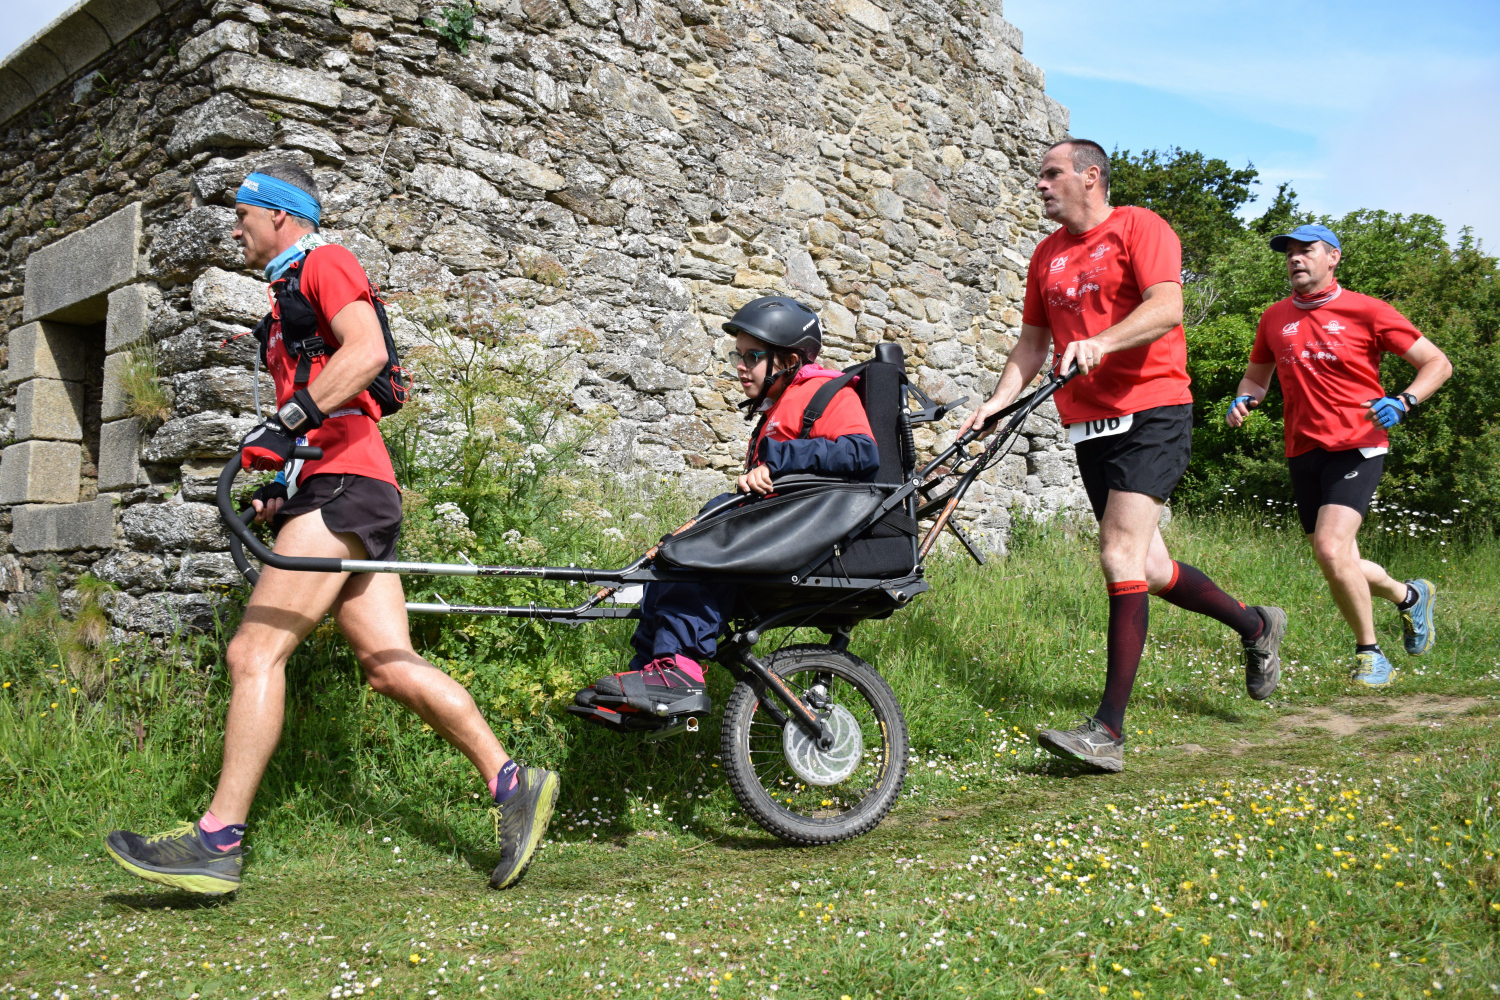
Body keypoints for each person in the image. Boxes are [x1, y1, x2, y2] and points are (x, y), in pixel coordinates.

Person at [104, 162, 558, 895]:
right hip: (348, 485)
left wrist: (287, 423)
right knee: (386, 664)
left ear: (280, 214)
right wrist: (279, 490)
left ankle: (217, 842)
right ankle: (514, 783)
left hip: (345, 484)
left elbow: (366, 352)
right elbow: (320, 410)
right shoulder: (286, 293)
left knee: (254, 652)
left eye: (243, 215)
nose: (235, 230)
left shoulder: (325, 260)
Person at [958, 139, 1287, 773]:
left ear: (1091, 176)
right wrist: (996, 402)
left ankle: (1108, 729)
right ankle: (1256, 627)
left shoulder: (1140, 226)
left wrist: (1101, 342)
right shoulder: (1046, 255)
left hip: (1154, 408)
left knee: (1117, 553)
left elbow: (1167, 307)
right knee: (1151, 567)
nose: (1041, 185)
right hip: (1089, 425)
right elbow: (1032, 344)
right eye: (1040, 176)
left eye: (1052, 174)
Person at [573, 295, 879, 719]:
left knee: (697, 556)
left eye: (753, 357)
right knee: (670, 559)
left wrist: (779, 461)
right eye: (738, 356)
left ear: (789, 361)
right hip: (773, 523)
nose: (741, 367)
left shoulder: (824, 393)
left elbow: (862, 453)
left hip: (799, 532)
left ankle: (677, 673)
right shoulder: (780, 406)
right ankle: (650, 675)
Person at [1226, 223, 1451, 687]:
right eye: (1289, 252)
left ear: (1333, 257)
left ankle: (1371, 655)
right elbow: (1256, 378)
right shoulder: (1274, 318)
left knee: (1331, 549)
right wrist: (1245, 398)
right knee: (1337, 557)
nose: (1295, 258)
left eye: (1306, 250)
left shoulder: (1368, 310)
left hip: (1358, 443)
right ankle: (1410, 596)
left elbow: (1438, 363)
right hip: (1302, 448)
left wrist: (1404, 400)